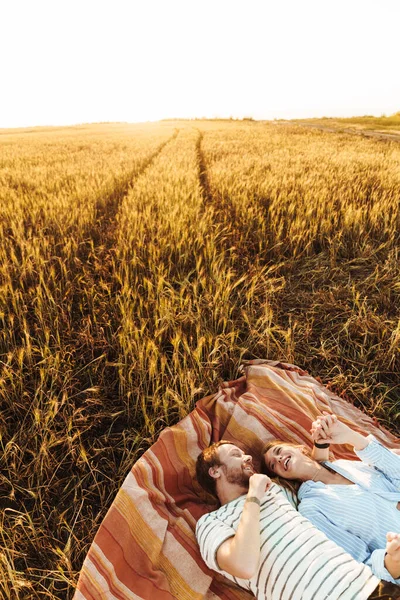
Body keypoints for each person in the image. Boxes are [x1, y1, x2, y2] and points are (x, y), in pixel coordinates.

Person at [195, 439, 381, 600]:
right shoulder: (210, 522)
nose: (248, 458)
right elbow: (243, 566)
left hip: (367, 584)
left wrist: (321, 443)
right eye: (236, 454)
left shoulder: (276, 489)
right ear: (215, 472)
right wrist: (254, 496)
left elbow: (312, 473)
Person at [262, 413, 400, 588]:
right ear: (281, 477)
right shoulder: (311, 508)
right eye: (273, 465)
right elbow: (360, 560)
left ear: (299, 448)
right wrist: (393, 561)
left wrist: (350, 436)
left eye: (279, 451)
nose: (278, 459)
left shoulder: (344, 465)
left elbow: (397, 473)